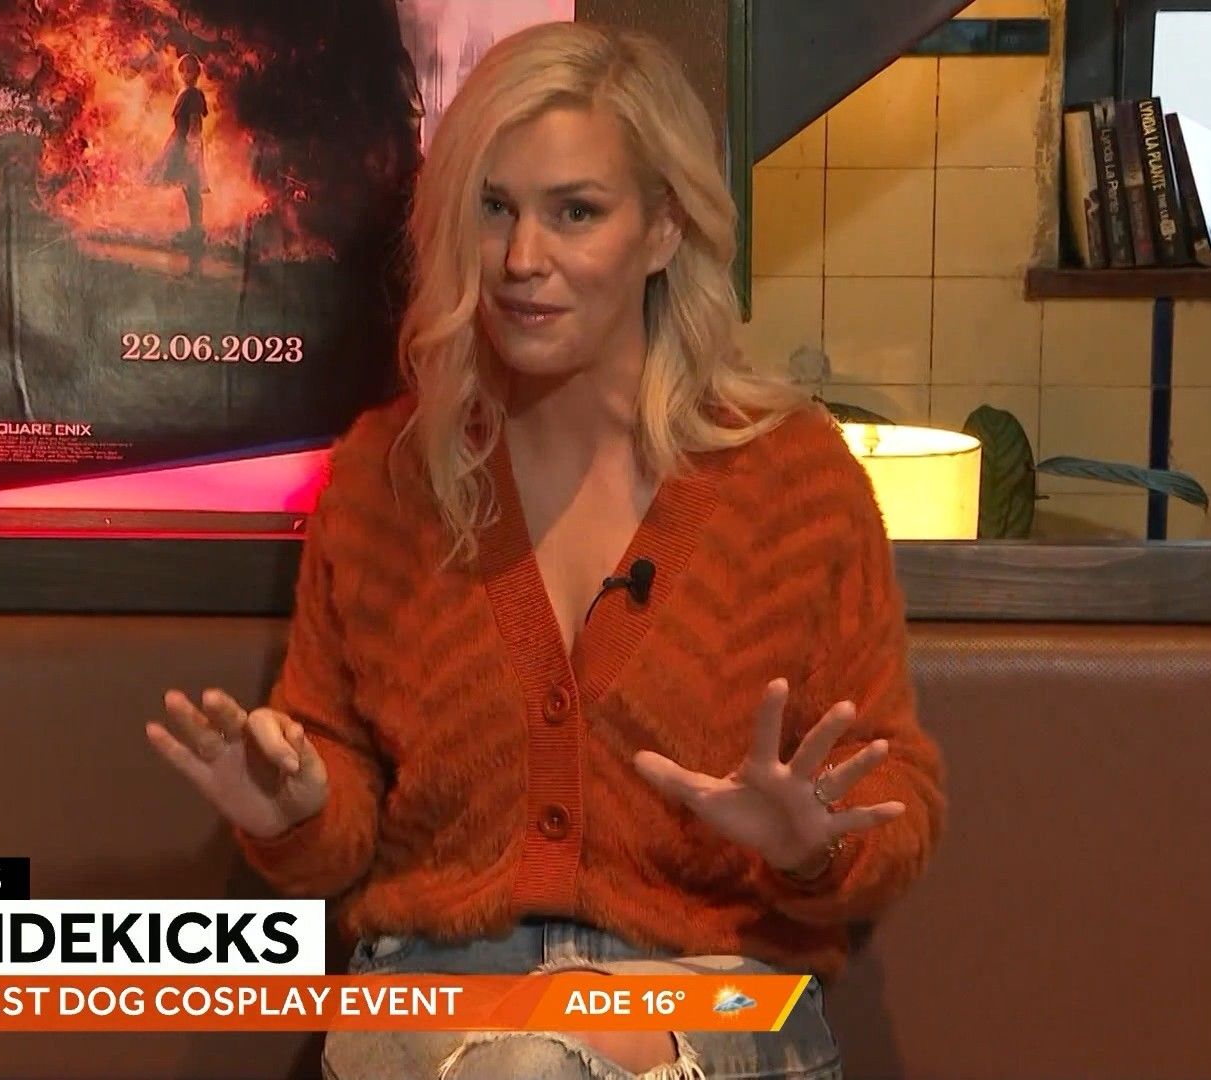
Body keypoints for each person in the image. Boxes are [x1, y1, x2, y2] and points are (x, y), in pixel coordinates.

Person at [145, 21, 945, 1080]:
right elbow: (340, 800)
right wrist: (297, 811)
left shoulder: (792, 479)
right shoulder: (387, 476)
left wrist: (815, 845)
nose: (523, 260)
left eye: (576, 212)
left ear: (663, 228)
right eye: (495, 209)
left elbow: (896, 800)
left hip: (709, 985)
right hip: (435, 986)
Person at [152, 53, 209, 249]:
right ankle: (194, 228)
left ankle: (197, 229)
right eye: (183, 70)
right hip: (180, 140)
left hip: (187, 143)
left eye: (190, 70)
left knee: (192, 185)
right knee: (187, 185)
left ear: (197, 73)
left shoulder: (193, 94)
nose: (186, 74)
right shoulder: (186, 93)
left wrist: (191, 147)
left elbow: (195, 121)